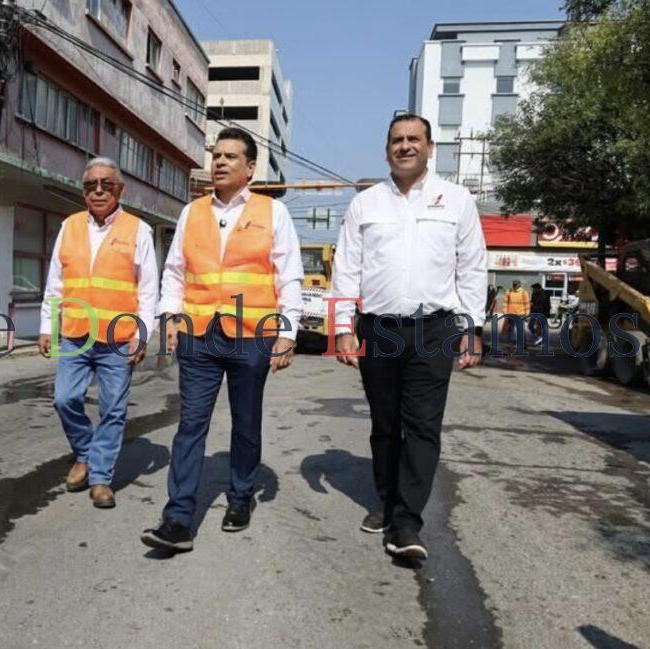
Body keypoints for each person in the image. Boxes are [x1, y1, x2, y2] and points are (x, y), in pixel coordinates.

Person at [140, 128, 304, 552]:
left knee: (245, 423)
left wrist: (287, 333)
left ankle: (240, 498)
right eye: (217, 155)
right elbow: (175, 271)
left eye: (231, 156)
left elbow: (288, 276)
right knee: (191, 424)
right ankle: (178, 518)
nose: (220, 162)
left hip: (252, 335)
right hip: (198, 334)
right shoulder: (192, 213)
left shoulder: (272, 212)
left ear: (250, 168)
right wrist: (169, 316)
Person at [331, 114, 487, 560]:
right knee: (385, 424)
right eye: (397, 140)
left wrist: (471, 328)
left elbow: (472, 266)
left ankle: (406, 523)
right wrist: (342, 326)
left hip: (434, 329)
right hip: (379, 329)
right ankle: (386, 500)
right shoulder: (366, 204)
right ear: (387, 150)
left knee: (421, 425)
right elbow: (347, 267)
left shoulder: (456, 200)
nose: (405, 146)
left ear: (429, 147)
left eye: (414, 139)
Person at [38, 158, 158, 509]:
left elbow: (148, 290)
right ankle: (85, 453)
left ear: (120, 189)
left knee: (113, 410)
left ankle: (101, 478)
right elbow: (55, 283)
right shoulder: (69, 226)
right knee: (64, 399)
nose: (99, 190)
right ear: (84, 191)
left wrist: (142, 335)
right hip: (76, 334)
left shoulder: (139, 230)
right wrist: (47, 326)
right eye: (91, 185)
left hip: (119, 339)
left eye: (107, 184)